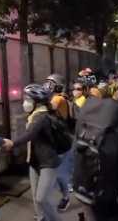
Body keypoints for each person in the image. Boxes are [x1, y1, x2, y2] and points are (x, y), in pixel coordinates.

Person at [6, 84, 61, 221]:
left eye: (28, 100)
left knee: (41, 198)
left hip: (48, 162)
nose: (25, 103)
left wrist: (13, 143)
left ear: (37, 102)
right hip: (34, 161)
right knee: (36, 198)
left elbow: (30, 135)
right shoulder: (34, 115)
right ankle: (41, 218)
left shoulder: (42, 117)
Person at [44, 74, 73, 212]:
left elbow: (48, 109)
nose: (47, 86)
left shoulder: (58, 98)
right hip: (56, 141)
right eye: (47, 83)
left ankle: (66, 196)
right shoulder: (56, 98)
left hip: (60, 142)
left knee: (58, 173)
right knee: (54, 173)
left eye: (51, 83)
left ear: (58, 86)